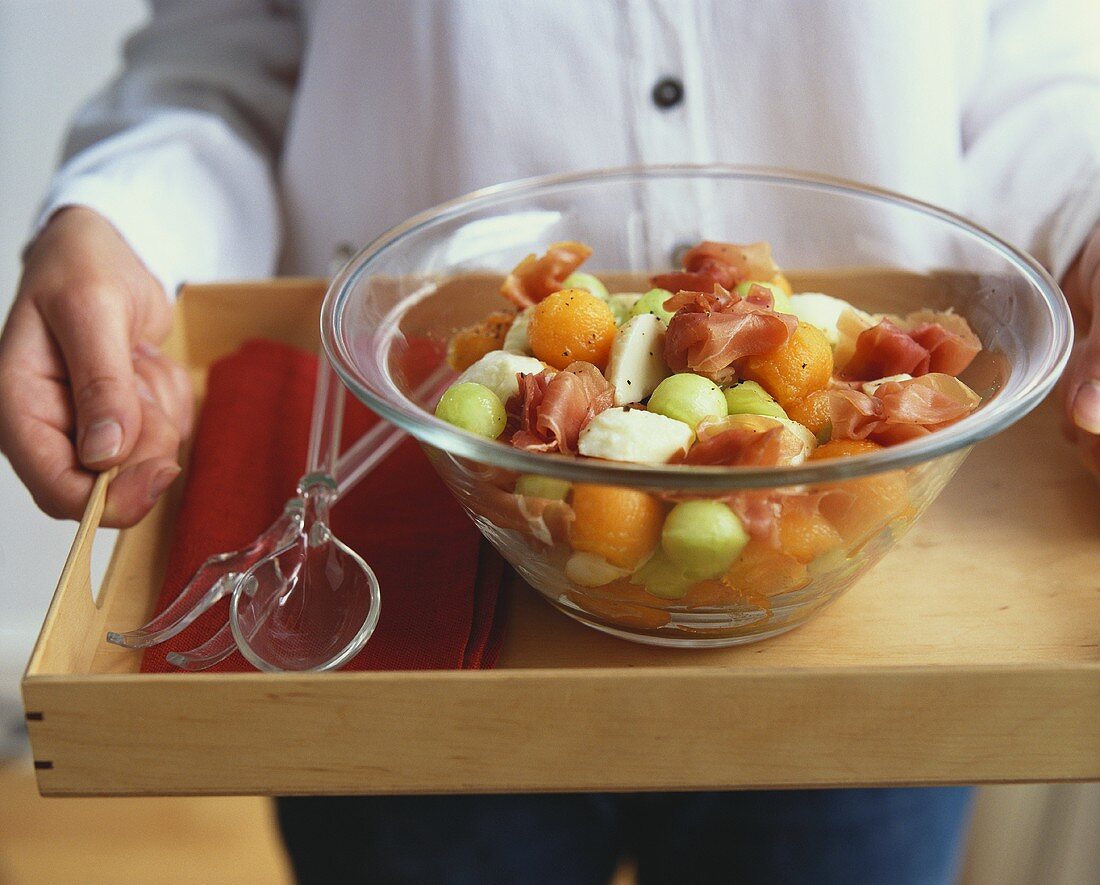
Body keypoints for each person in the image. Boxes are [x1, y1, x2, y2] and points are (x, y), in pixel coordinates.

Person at [2, 2, 1098, 882]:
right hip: (427, 615)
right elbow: (221, 56)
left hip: (856, 663)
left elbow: (1039, 54)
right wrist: (120, 218)